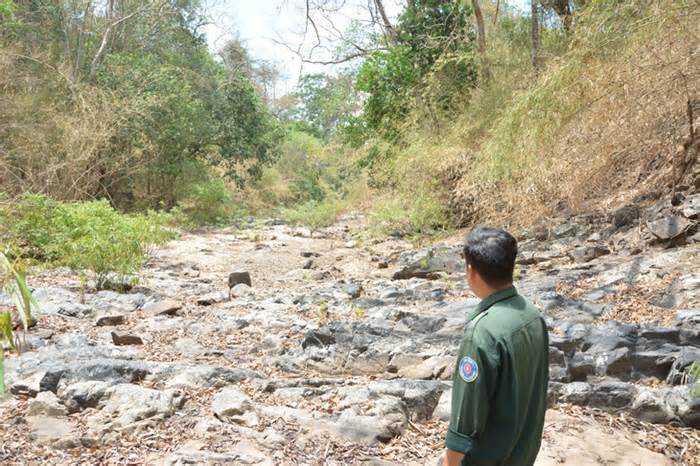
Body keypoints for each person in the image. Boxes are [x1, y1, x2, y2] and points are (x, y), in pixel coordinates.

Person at [442, 227, 549, 466]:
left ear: (471, 271)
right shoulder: (532, 315)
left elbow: (464, 423)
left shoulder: (482, 333)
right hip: (522, 454)